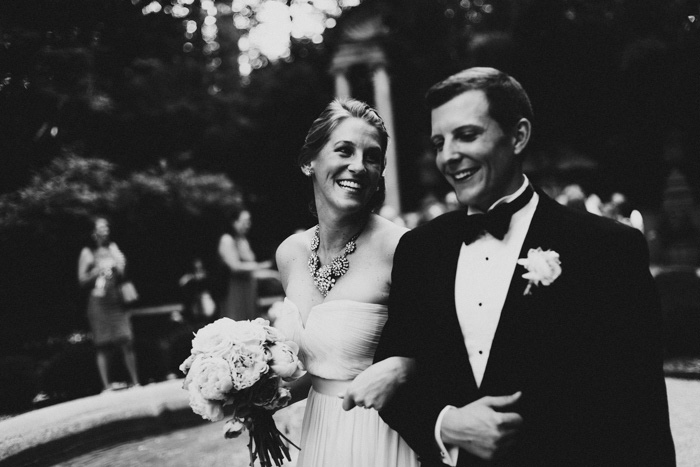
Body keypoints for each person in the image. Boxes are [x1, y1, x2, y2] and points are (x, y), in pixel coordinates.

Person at [374, 67, 675, 466]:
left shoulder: (608, 248)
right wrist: (443, 424)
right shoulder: (419, 249)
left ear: (517, 136)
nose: (448, 156)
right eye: (439, 142)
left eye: (467, 135)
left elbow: (641, 413)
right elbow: (395, 372)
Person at [274, 98, 420, 466]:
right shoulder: (290, 253)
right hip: (321, 435)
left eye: (372, 157)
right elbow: (324, 369)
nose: (358, 166)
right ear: (309, 161)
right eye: (344, 150)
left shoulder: (402, 249)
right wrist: (253, 397)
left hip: (382, 437)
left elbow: (438, 358)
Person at [78, 216, 140, 391]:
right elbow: (82, 280)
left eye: (106, 226)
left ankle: (135, 382)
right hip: (98, 303)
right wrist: (98, 270)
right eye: (101, 227)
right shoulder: (87, 252)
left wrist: (118, 265)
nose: (105, 229)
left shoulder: (113, 248)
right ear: (93, 232)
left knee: (126, 340)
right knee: (103, 345)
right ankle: (107, 387)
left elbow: (122, 274)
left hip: (116, 300)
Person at [217, 208, 275, 321]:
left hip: (248, 289)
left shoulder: (243, 240)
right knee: (237, 321)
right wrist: (261, 266)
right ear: (234, 222)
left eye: (249, 222)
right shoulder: (227, 240)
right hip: (235, 290)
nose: (248, 225)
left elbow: (252, 269)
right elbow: (235, 267)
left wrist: (271, 274)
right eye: (244, 222)